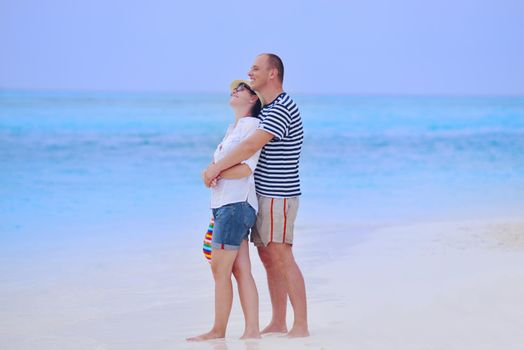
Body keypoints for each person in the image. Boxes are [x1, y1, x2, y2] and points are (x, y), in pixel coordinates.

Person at [203, 53, 309, 338]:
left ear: (273, 73)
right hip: (261, 194)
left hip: (279, 193)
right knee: (267, 256)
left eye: (256, 68)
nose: (250, 71)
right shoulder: (267, 109)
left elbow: (250, 147)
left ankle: (300, 325)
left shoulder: (281, 108)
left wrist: (216, 168)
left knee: (281, 254)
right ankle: (278, 321)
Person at [187, 80, 263, 341]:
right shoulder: (234, 129)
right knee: (240, 270)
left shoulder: (252, 126)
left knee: (221, 271)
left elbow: (246, 168)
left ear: (254, 99)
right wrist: (209, 173)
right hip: (226, 206)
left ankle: (218, 331)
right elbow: (219, 166)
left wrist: (215, 171)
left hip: (235, 205)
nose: (235, 90)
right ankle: (252, 330)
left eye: (242, 88)